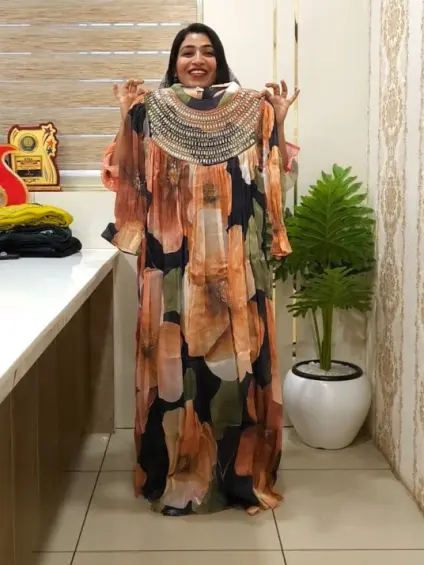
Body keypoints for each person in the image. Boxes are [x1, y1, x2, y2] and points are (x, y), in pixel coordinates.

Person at [101, 22, 299, 517]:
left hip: (235, 264)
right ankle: (178, 472)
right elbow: (125, 175)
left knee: (234, 368)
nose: (197, 60)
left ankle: (238, 477)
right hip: (171, 263)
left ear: (219, 60)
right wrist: (125, 117)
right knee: (175, 368)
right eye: (187, 51)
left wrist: (277, 120)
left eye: (207, 52)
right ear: (174, 62)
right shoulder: (151, 112)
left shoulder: (249, 110)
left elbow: (274, 172)